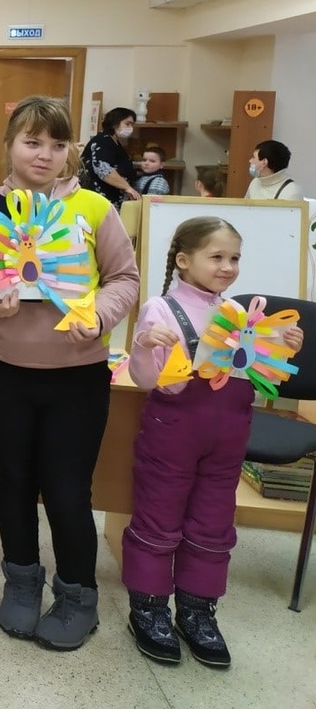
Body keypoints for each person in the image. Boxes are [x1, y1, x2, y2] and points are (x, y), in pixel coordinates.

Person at [0, 96, 139, 651]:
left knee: (66, 489)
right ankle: (21, 580)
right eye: (32, 142)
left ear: (70, 152)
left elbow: (125, 279)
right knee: (12, 479)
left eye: (58, 144)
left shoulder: (94, 208)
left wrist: (98, 316)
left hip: (76, 373)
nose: (44, 154)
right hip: (2, 368)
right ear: (9, 144)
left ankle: (79, 594)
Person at [124, 217, 302, 667]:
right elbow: (149, 381)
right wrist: (143, 344)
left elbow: (259, 379)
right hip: (173, 433)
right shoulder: (162, 309)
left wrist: (283, 347)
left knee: (214, 521)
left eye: (235, 258)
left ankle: (197, 610)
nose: (228, 267)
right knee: (159, 514)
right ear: (184, 261)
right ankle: (148, 607)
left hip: (229, 438)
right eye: (217, 256)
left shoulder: (241, 316)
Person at [79, 107, 140, 209]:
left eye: (132, 125)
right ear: (115, 123)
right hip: (99, 202)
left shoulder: (115, 143)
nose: (130, 128)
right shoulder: (104, 141)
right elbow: (102, 168)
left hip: (110, 202)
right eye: (127, 124)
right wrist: (127, 187)